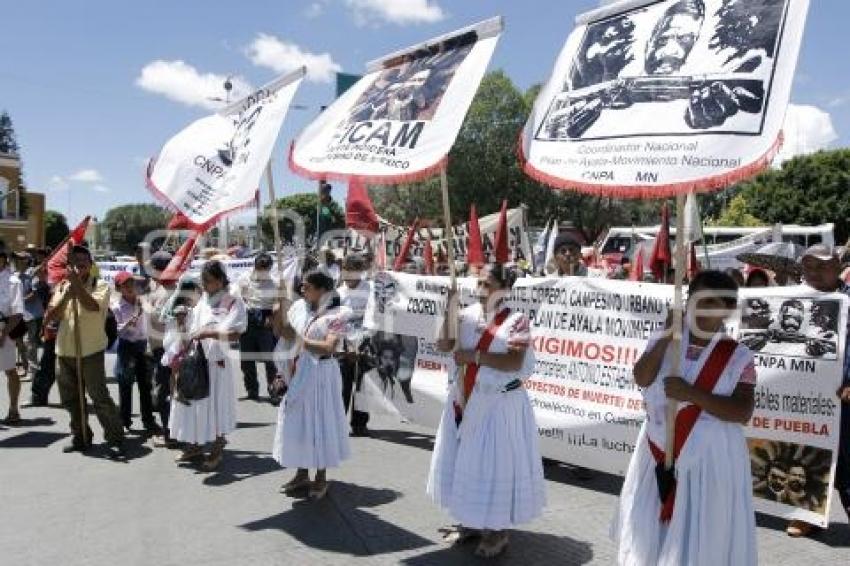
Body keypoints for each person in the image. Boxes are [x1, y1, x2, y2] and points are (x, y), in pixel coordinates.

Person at [613, 270, 757, 565]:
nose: (701, 310)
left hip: (710, 458)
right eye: (696, 300)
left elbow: (742, 411)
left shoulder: (738, 356)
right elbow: (642, 377)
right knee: (651, 529)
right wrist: (667, 334)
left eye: (712, 304)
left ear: (728, 311)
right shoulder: (666, 339)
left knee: (702, 531)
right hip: (657, 449)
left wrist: (692, 394)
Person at [428, 263, 545, 558]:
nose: (481, 289)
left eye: (488, 283)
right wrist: (449, 310)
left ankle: (497, 530)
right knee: (466, 462)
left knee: (494, 465)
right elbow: (443, 344)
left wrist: (476, 356)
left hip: (499, 404)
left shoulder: (516, 321)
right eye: (479, 283)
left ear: (504, 289)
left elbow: (514, 363)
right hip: (466, 399)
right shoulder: (465, 316)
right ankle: (470, 521)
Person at [786, 244, 850, 537]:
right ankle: (807, 515)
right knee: (805, 454)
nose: (814, 272)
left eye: (822, 265)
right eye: (809, 266)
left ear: (838, 266)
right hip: (803, 396)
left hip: (842, 396)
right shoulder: (790, 301)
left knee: (846, 459)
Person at [273, 269, 351, 500]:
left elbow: (328, 348)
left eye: (307, 286)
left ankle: (321, 476)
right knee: (297, 422)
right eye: (302, 286)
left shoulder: (339, 314)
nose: (302, 289)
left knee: (320, 423)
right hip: (299, 371)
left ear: (322, 290)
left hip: (322, 375)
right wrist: (278, 310)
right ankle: (301, 473)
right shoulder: (298, 309)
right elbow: (283, 332)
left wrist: (300, 340)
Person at [44, 245, 125, 457]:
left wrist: (77, 287)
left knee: (100, 398)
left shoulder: (101, 286)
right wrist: (66, 295)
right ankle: (81, 437)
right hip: (64, 352)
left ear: (90, 264)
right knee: (71, 399)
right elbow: (50, 317)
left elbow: (92, 306)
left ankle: (115, 437)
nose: (79, 262)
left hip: (90, 351)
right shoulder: (62, 286)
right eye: (75, 259)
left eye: (83, 259)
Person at [168, 261, 247, 471]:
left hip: (218, 364)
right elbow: (191, 332)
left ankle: (218, 445)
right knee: (194, 403)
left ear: (221, 280)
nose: (205, 285)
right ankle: (194, 444)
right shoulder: (202, 301)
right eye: (203, 281)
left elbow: (237, 333)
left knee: (217, 406)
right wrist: (182, 322)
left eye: (209, 281)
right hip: (197, 362)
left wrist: (210, 333)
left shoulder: (232, 302)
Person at [112, 271, 157, 434]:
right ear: (119, 288)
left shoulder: (143, 302)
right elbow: (117, 331)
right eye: (125, 285)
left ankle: (148, 420)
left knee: (145, 385)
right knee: (125, 385)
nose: (130, 288)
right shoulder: (117, 307)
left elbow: (154, 316)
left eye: (131, 284)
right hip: (127, 347)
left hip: (143, 346)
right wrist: (129, 322)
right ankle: (125, 420)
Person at [236, 252, 280, 403]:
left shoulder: (274, 282)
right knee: (247, 360)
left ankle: (274, 390)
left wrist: (273, 316)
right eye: (260, 268)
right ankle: (252, 390)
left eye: (265, 269)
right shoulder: (244, 279)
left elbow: (277, 302)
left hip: (266, 322)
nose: (262, 272)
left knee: (270, 360)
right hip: (247, 321)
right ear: (255, 266)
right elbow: (238, 298)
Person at [337, 253, 372, 435]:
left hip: (366, 344)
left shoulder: (370, 290)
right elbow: (334, 322)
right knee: (343, 385)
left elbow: (375, 318)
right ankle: (338, 423)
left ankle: (360, 423)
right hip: (344, 347)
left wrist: (364, 342)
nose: (349, 277)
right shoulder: (338, 294)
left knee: (362, 386)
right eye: (346, 272)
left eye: (353, 272)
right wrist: (348, 345)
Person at [146, 251, 179, 447]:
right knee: (170, 391)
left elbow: (159, 321)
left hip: (166, 351)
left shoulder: (166, 293)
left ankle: (170, 434)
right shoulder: (173, 289)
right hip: (164, 349)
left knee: (165, 392)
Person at [0, 251, 25, 424]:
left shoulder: (13, 282)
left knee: (9, 370)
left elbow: (17, 314)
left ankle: (13, 409)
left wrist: (3, 333)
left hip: (4, 329)